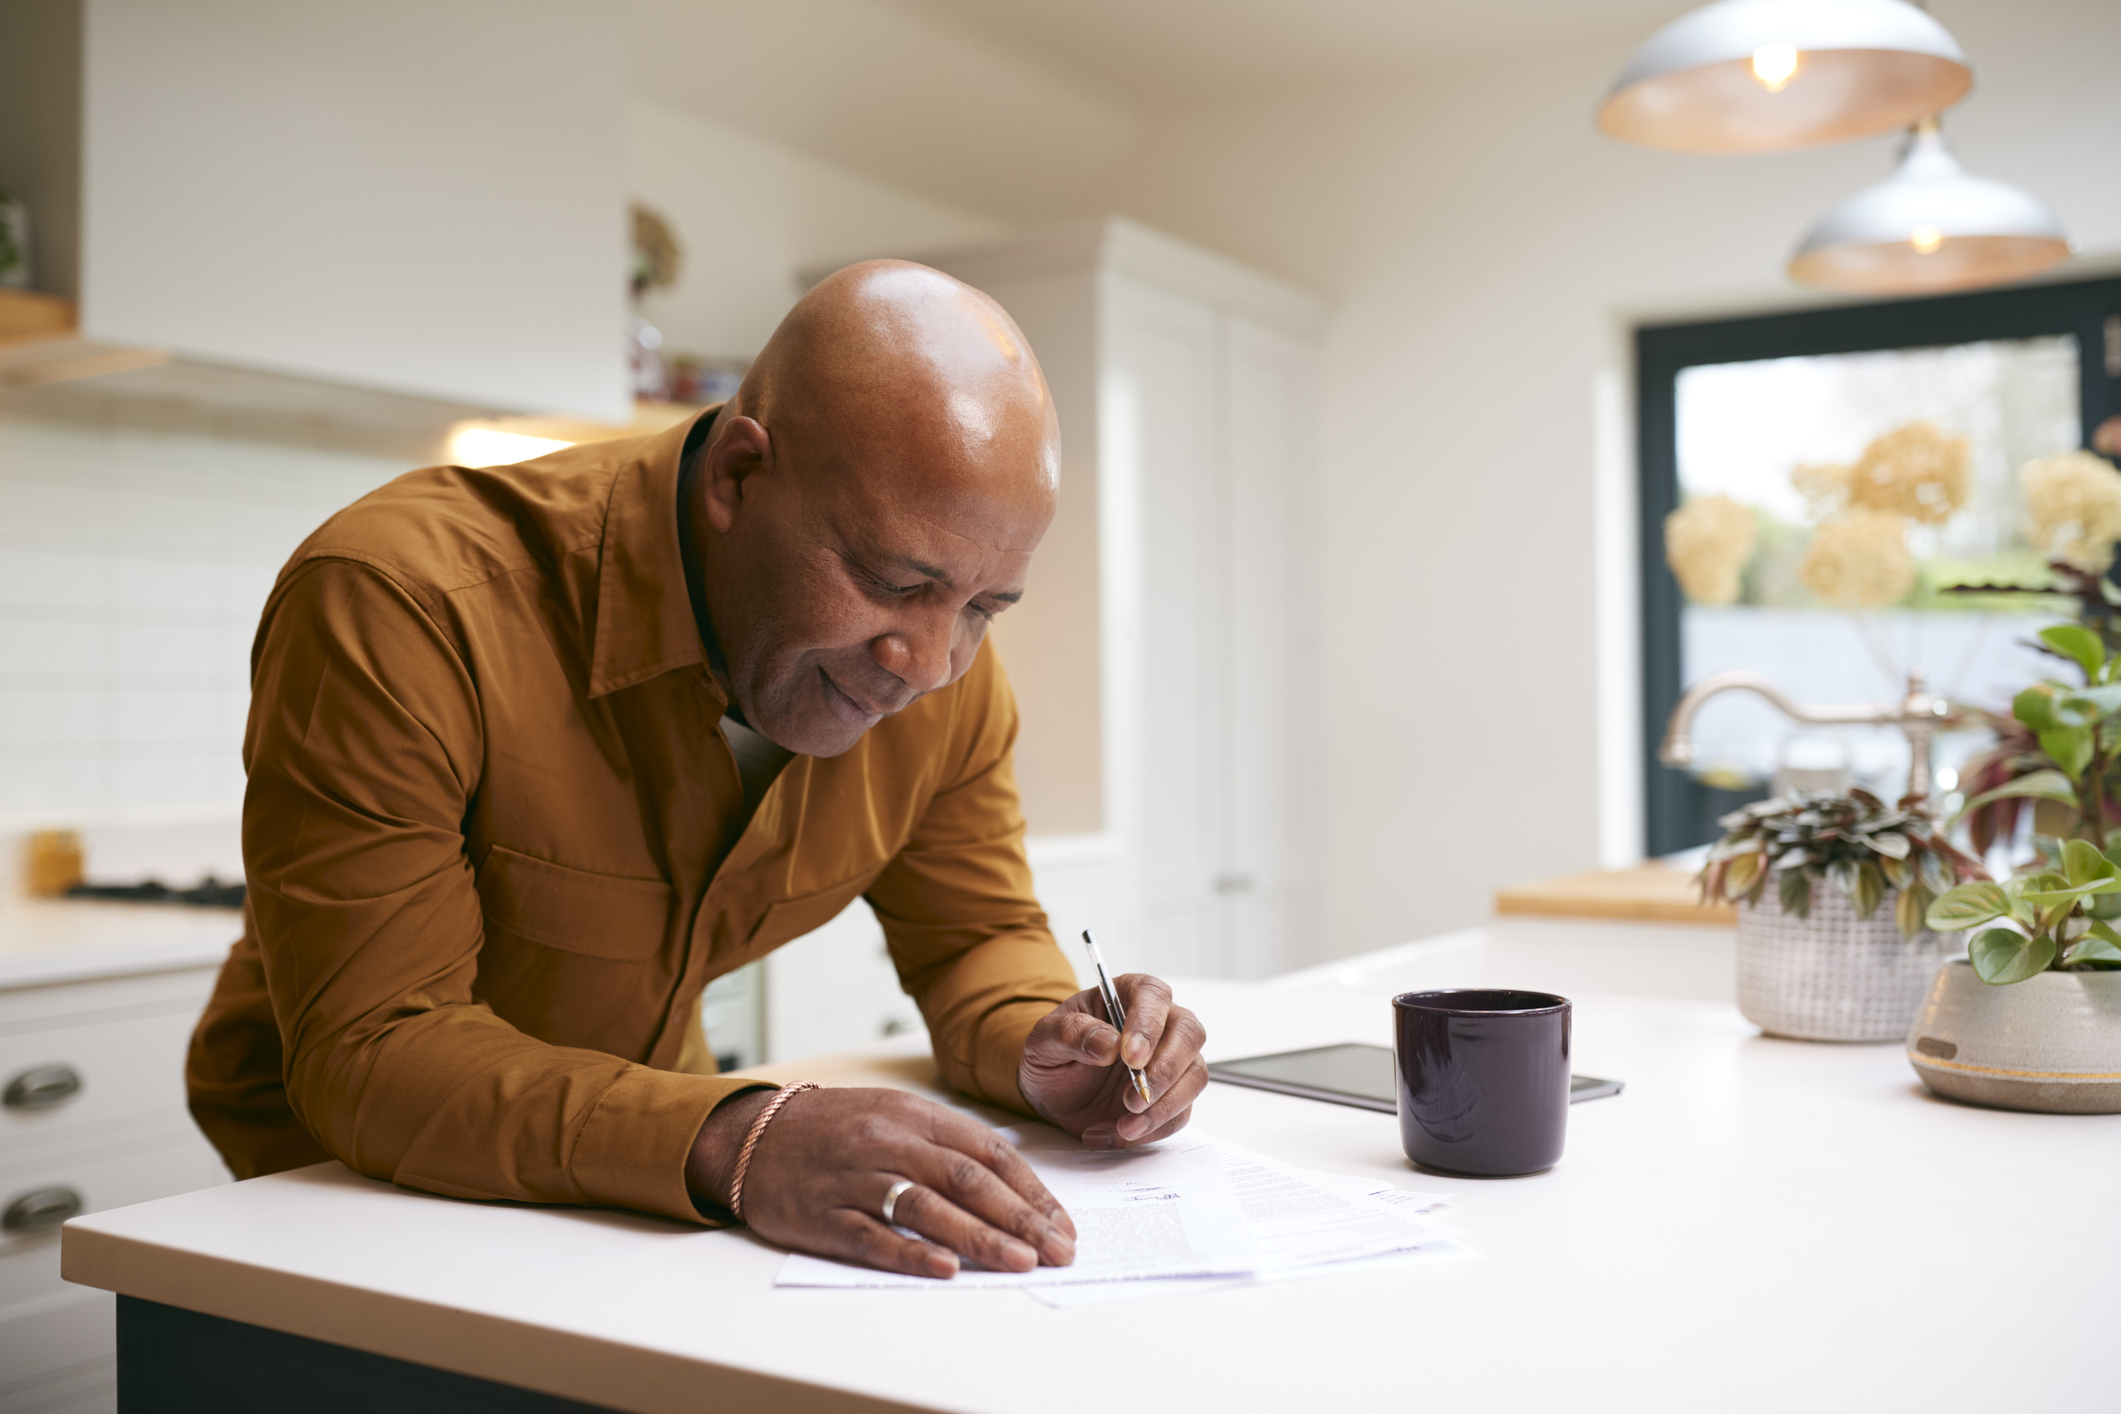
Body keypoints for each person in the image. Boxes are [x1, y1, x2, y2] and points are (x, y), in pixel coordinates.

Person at [185, 261, 1208, 1280]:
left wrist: (1051, 1050)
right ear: (738, 478)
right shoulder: (406, 603)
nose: (929, 664)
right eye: (895, 580)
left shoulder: (943, 681)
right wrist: (743, 1137)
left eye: (984, 609)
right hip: (337, 1196)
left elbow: (972, 937)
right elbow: (375, 1048)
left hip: (641, 1179)